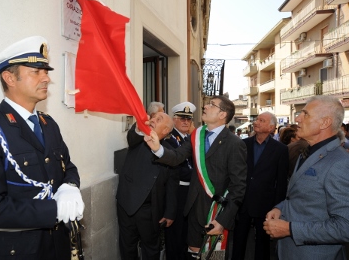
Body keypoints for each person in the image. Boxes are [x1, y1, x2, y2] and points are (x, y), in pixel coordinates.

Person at [0, 36, 84, 259]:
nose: (46, 78)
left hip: (58, 247)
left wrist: (69, 187)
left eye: (46, 71)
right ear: (9, 78)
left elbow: (68, 166)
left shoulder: (48, 124)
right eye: (36, 71)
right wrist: (54, 210)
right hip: (17, 251)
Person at [144, 95, 247, 259]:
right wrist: (158, 149)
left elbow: (238, 187)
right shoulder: (197, 135)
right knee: (193, 253)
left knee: (213, 256)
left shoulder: (234, 143)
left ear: (222, 114)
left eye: (212, 105)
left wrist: (223, 220)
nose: (205, 107)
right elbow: (177, 156)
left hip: (216, 212)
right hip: (193, 209)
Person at [263, 95, 349, 260]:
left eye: (305, 114)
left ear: (325, 122)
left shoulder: (339, 163)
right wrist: (281, 208)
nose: (297, 118)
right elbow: (301, 195)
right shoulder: (309, 151)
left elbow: (345, 226)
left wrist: (290, 229)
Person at [116, 112, 178, 260]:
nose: (153, 120)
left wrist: (170, 212)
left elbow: (172, 184)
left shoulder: (170, 152)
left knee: (151, 249)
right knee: (127, 247)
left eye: (159, 119)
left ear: (165, 131)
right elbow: (132, 136)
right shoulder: (138, 139)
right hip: (127, 204)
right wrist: (138, 127)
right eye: (153, 117)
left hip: (151, 210)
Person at [232, 112, 288, 260]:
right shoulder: (244, 144)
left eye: (261, 120)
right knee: (238, 240)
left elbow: (281, 181)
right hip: (242, 200)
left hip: (265, 203)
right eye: (257, 119)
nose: (256, 122)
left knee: (263, 244)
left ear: (271, 128)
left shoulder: (280, 149)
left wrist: (277, 207)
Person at [163, 101, 196, 260]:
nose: (185, 122)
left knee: (185, 235)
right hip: (177, 192)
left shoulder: (189, 138)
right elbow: (177, 170)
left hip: (189, 192)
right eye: (182, 118)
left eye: (188, 119)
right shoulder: (169, 140)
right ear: (174, 119)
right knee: (175, 237)